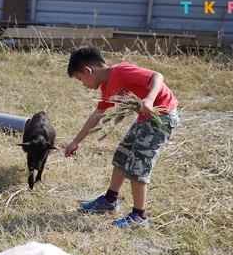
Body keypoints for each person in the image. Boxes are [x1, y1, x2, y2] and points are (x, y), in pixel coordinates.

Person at [64, 46, 180, 228]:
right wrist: (77, 141)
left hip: (162, 117)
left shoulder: (121, 70)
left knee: (138, 165)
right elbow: (97, 115)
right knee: (122, 155)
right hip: (145, 118)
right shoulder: (106, 87)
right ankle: (110, 200)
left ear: (88, 71)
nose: (83, 84)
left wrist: (149, 99)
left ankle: (139, 216)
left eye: (80, 79)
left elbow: (156, 76)